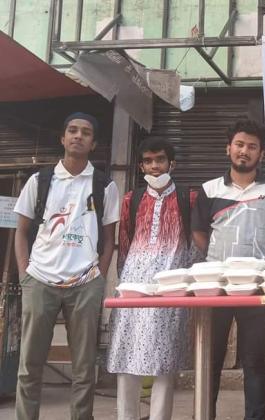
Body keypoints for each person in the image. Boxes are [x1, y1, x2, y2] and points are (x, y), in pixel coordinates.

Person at [13, 113, 119, 420]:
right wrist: (25, 274)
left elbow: (109, 239)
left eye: (86, 132)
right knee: (29, 365)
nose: (78, 136)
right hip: (40, 280)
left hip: (85, 284)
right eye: (72, 130)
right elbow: (21, 231)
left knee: (84, 368)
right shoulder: (40, 181)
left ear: (93, 143)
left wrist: (98, 276)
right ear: (62, 138)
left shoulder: (104, 185)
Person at [192, 119, 265, 420]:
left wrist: (262, 264)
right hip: (215, 286)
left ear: (261, 153)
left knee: (255, 361)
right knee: (209, 361)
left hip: (254, 286)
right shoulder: (209, 189)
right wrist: (216, 261)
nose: (244, 151)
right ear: (228, 148)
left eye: (252, 146)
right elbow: (198, 233)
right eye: (239, 144)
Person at [106, 139, 196, 420]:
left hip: (170, 286)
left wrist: (187, 285)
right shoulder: (131, 200)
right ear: (141, 166)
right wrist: (123, 285)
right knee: (126, 353)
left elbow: (196, 245)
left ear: (172, 164)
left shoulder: (188, 198)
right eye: (148, 161)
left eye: (160, 159)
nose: (155, 166)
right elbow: (124, 243)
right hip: (134, 286)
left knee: (165, 358)